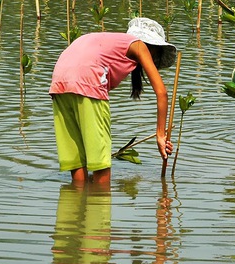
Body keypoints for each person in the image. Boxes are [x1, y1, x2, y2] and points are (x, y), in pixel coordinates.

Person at [50, 17, 177, 185]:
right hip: (88, 81)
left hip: (59, 83)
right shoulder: (139, 45)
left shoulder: (110, 41)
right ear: (152, 47)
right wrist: (160, 135)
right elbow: (162, 92)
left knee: (78, 166)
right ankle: (99, 203)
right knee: (101, 166)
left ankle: (76, 202)